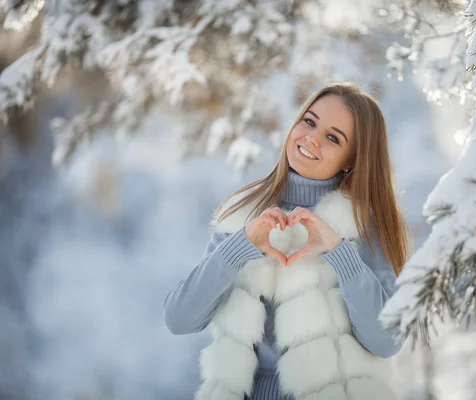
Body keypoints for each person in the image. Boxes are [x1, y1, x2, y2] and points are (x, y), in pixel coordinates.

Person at [164, 82, 412, 400]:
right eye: (309, 121)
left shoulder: (364, 227)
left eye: (333, 138)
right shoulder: (242, 214)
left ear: (352, 159)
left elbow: (386, 341)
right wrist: (238, 249)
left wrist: (339, 252)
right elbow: (179, 319)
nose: (311, 138)